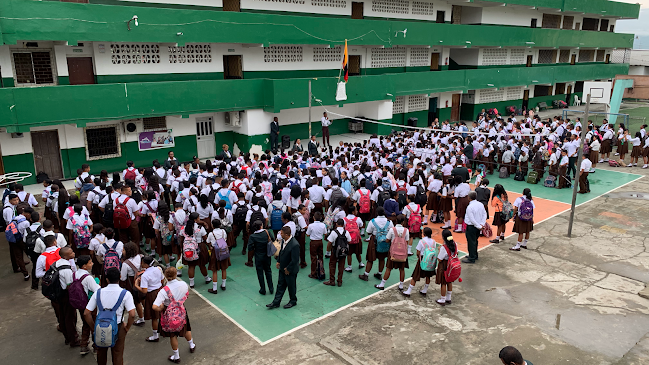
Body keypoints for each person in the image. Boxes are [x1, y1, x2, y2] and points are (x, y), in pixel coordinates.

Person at [84, 267, 136, 365]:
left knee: (101, 353)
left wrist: (94, 328)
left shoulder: (98, 292)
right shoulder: (125, 294)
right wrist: (127, 327)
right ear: (120, 277)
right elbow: (132, 314)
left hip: (101, 326)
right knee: (117, 354)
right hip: (118, 326)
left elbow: (86, 313)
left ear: (107, 279)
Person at [152, 267, 196, 364]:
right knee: (186, 328)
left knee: (173, 335)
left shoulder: (163, 291)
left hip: (169, 314)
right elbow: (186, 295)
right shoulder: (183, 284)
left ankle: (176, 356)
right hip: (181, 311)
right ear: (175, 274)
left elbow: (154, 307)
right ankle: (191, 345)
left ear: (165, 276)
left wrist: (161, 308)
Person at [267, 226, 300, 309]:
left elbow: (295, 260)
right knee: (280, 285)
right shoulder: (283, 241)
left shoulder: (295, 245)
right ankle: (276, 302)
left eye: (281, 233)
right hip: (282, 269)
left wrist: (288, 269)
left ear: (286, 234)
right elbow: (282, 251)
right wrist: (279, 261)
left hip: (290, 271)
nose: (280, 234)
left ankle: (293, 301)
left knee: (291, 286)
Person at [74, 255, 101, 355]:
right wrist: (97, 282)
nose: (92, 264)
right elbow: (97, 290)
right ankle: (96, 346)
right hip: (90, 305)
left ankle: (83, 345)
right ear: (84, 266)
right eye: (90, 263)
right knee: (94, 324)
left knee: (86, 323)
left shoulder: (75, 274)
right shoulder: (88, 278)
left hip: (80, 304)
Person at [374, 214, 409, 291]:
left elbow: (387, 240)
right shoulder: (406, 230)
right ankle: (401, 285)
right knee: (402, 269)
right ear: (403, 222)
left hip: (393, 252)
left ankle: (382, 284)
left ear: (396, 221)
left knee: (388, 268)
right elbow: (406, 241)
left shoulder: (392, 229)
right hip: (402, 253)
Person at [135, 256, 164, 343]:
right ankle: (164, 330)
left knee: (154, 316)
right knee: (162, 312)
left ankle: (155, 336)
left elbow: (144, 290)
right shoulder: (158, 269)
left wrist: (136, 285)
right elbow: (162, 280)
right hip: (160, 291)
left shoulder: (145, 275)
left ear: (146, 264)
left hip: (151, 295)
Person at [359, 207, 393, 281]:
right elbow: (392, 231)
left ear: (377, 213)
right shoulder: (389, 222)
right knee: (382, 258)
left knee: (370, 259)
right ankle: (379, 274)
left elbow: (368, 231)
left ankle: (366, 275)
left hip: (374, 240)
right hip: (385, 241)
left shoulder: (373, 221)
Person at [402, 227, 436, 297]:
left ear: (424, 234)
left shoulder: (422, 241)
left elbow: (418, 252)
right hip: (430, 260)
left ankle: (409, 291)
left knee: (415, 275)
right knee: (428, 275)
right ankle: (425, 290)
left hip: (422, 259)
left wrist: (419, 257)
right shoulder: (433, 242)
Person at [248, 220, 275, 295]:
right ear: (261, 226)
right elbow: (273, 239)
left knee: (260, 273)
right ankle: (271, 288)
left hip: (258, 256)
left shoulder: (252, 236)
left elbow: (250, 248)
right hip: (267, 255)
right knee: (268, 271)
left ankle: (263, 289)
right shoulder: (267, 232)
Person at [323, 218, 351, 287]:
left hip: (335, 251)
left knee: (332, 265)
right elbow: (349, 241)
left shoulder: (334, 232)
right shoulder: (346, 232)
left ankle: (332, 280)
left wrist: (328, 251)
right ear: (343, 225)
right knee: (341, 266)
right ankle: (339, 281)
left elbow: (329, 243)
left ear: (336, 224)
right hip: (343, 251)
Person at [207, 219, 231, 294]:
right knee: (224, 269)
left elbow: (208, 241)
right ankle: (223, 285)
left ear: (212, 225)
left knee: (214, 270)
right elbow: (225, 239)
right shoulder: (223, 231)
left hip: (215, 252)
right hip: (224, 251)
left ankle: (214, 289)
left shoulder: (211, 234)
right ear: (220, 225)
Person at [462, 191, 486, 264]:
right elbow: (484, 214)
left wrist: (479, 226)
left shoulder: (470, 207)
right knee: (475, 240)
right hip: (478, 226)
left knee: (471, 242)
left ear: (469, 198)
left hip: (472, 226)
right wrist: (482, 224)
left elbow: (472, 219)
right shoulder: (480, 204)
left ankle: (471, 257)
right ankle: (474, 254)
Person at [436, 229, 456, 306]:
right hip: (451, 265)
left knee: (443, 282)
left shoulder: (444, 247)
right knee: (449, 281)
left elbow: (439, 259)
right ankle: (449, 298)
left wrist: (439, 250)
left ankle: (442, 299)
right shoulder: (454, 244)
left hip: (444, 265)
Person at [305, 211, 327, 279]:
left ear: (314, 218)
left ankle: (313, 273)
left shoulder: (311, 225)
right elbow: (325, 233)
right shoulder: (323, 225)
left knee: (313, 258)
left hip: (313, 242)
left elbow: (307, 234)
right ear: (320, 218)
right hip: (320, 241)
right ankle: (321, 271)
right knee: (320, 257)